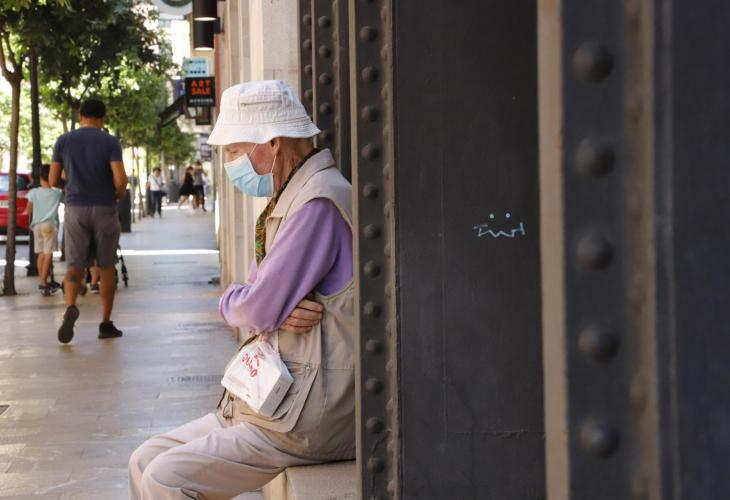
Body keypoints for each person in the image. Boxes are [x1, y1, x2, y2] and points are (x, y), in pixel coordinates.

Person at [128, 80, 354, 499]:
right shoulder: (291, 197)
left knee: (165, 478)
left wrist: (255, 304)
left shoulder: (316, 204)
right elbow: (259, 300)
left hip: (303, 415)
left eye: (234, 150)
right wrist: (264, 305)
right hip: (274, 401)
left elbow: (256, 308)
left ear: (272, 142)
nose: (230, 162)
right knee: (144, 459)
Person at [49, 98, 128, 344]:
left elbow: (52, 179)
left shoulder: (63, 140)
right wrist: (118, 194)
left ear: (81, 116)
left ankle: (70, 306)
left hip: (75, 209)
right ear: (102, 118)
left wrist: (70, 187)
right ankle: (105, 323)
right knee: (106, 267)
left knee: (74, 267)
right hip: (104, 208)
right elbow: (120, 179)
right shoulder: (110, 141)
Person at [24, 164, 62, 296]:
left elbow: (28, 209)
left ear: (40, 178)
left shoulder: (33, 192)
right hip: (49, 225)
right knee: (48, 254)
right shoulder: (57, 193)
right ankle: (42, 282)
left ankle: (43, 282)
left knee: (40, 254)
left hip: (37, 226)